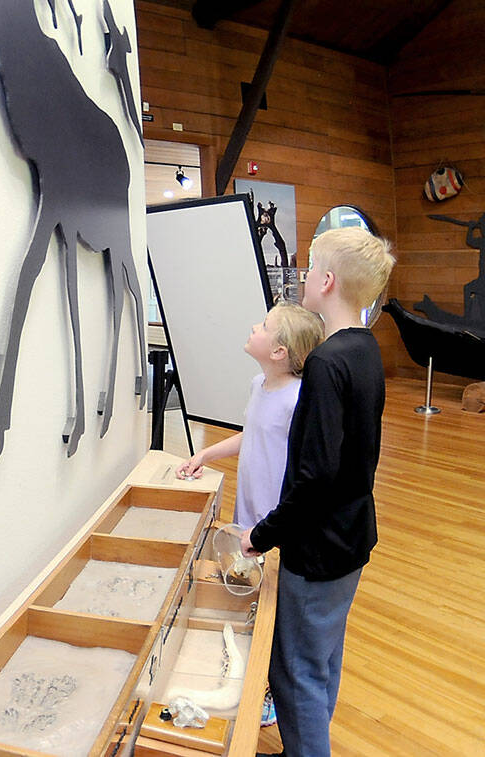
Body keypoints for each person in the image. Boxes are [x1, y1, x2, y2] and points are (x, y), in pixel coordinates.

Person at [240, 227, 396, 757]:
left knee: (295, 673)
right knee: (323, 658)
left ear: (327, 281)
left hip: (319, 548)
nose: (303, 276)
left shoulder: (327, 364)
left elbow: (314, 477)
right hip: (352, 539)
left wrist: (261, 536)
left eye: (309, 268)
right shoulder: (365, 350)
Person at [175, 301, 324, 531]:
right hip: (246, 510)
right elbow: (253, 435)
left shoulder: (297, 399)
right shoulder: (257, 384)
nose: (255, 327)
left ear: (279, 352)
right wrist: (204, 456)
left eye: (264, 326)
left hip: (275, 520)